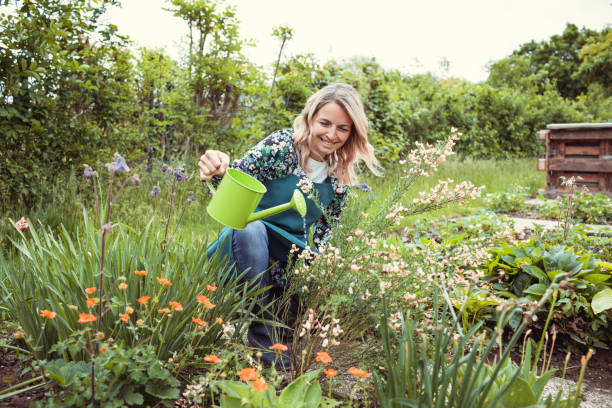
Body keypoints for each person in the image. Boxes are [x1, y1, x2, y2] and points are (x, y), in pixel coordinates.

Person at [198, 83, 380, 370]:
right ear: (310, 118)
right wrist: (215, 168)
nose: (332, 135)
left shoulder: (339, 175)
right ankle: (264, 341)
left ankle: (280, 325)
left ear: (352, 134)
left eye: (343, 128)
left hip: (286, 259)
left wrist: (322, 275)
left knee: (305, 289)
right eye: (325, 123)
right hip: (242, 245)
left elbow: (325, 236)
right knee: (254, 228)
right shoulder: (282, 148)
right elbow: (230, 188)